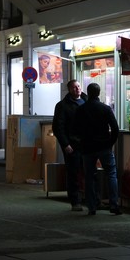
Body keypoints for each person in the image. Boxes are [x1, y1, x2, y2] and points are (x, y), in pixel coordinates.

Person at [77, 82, 122, 215]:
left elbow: (75, 129)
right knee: (111, 174)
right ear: (99, 93)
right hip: (104, 146)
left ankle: (92, 207)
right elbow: (115, 128)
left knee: (89, 177)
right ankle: (114, 204)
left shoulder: (81, 109)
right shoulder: (105, 108)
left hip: (87, 148)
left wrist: (81, 142)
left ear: (88, 92)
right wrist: (110, 143)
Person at [52, 80, 88, 211]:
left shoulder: (87, 101)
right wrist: (65, 144)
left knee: (89, 172)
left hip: (87, 144)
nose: (77, 89)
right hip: (72, 145)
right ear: (69, 90)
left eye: (78, 86)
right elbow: (58, 127)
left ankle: (93, 200)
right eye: (74, 87)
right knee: (73, 173)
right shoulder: (62, 106)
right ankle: (75, 201)